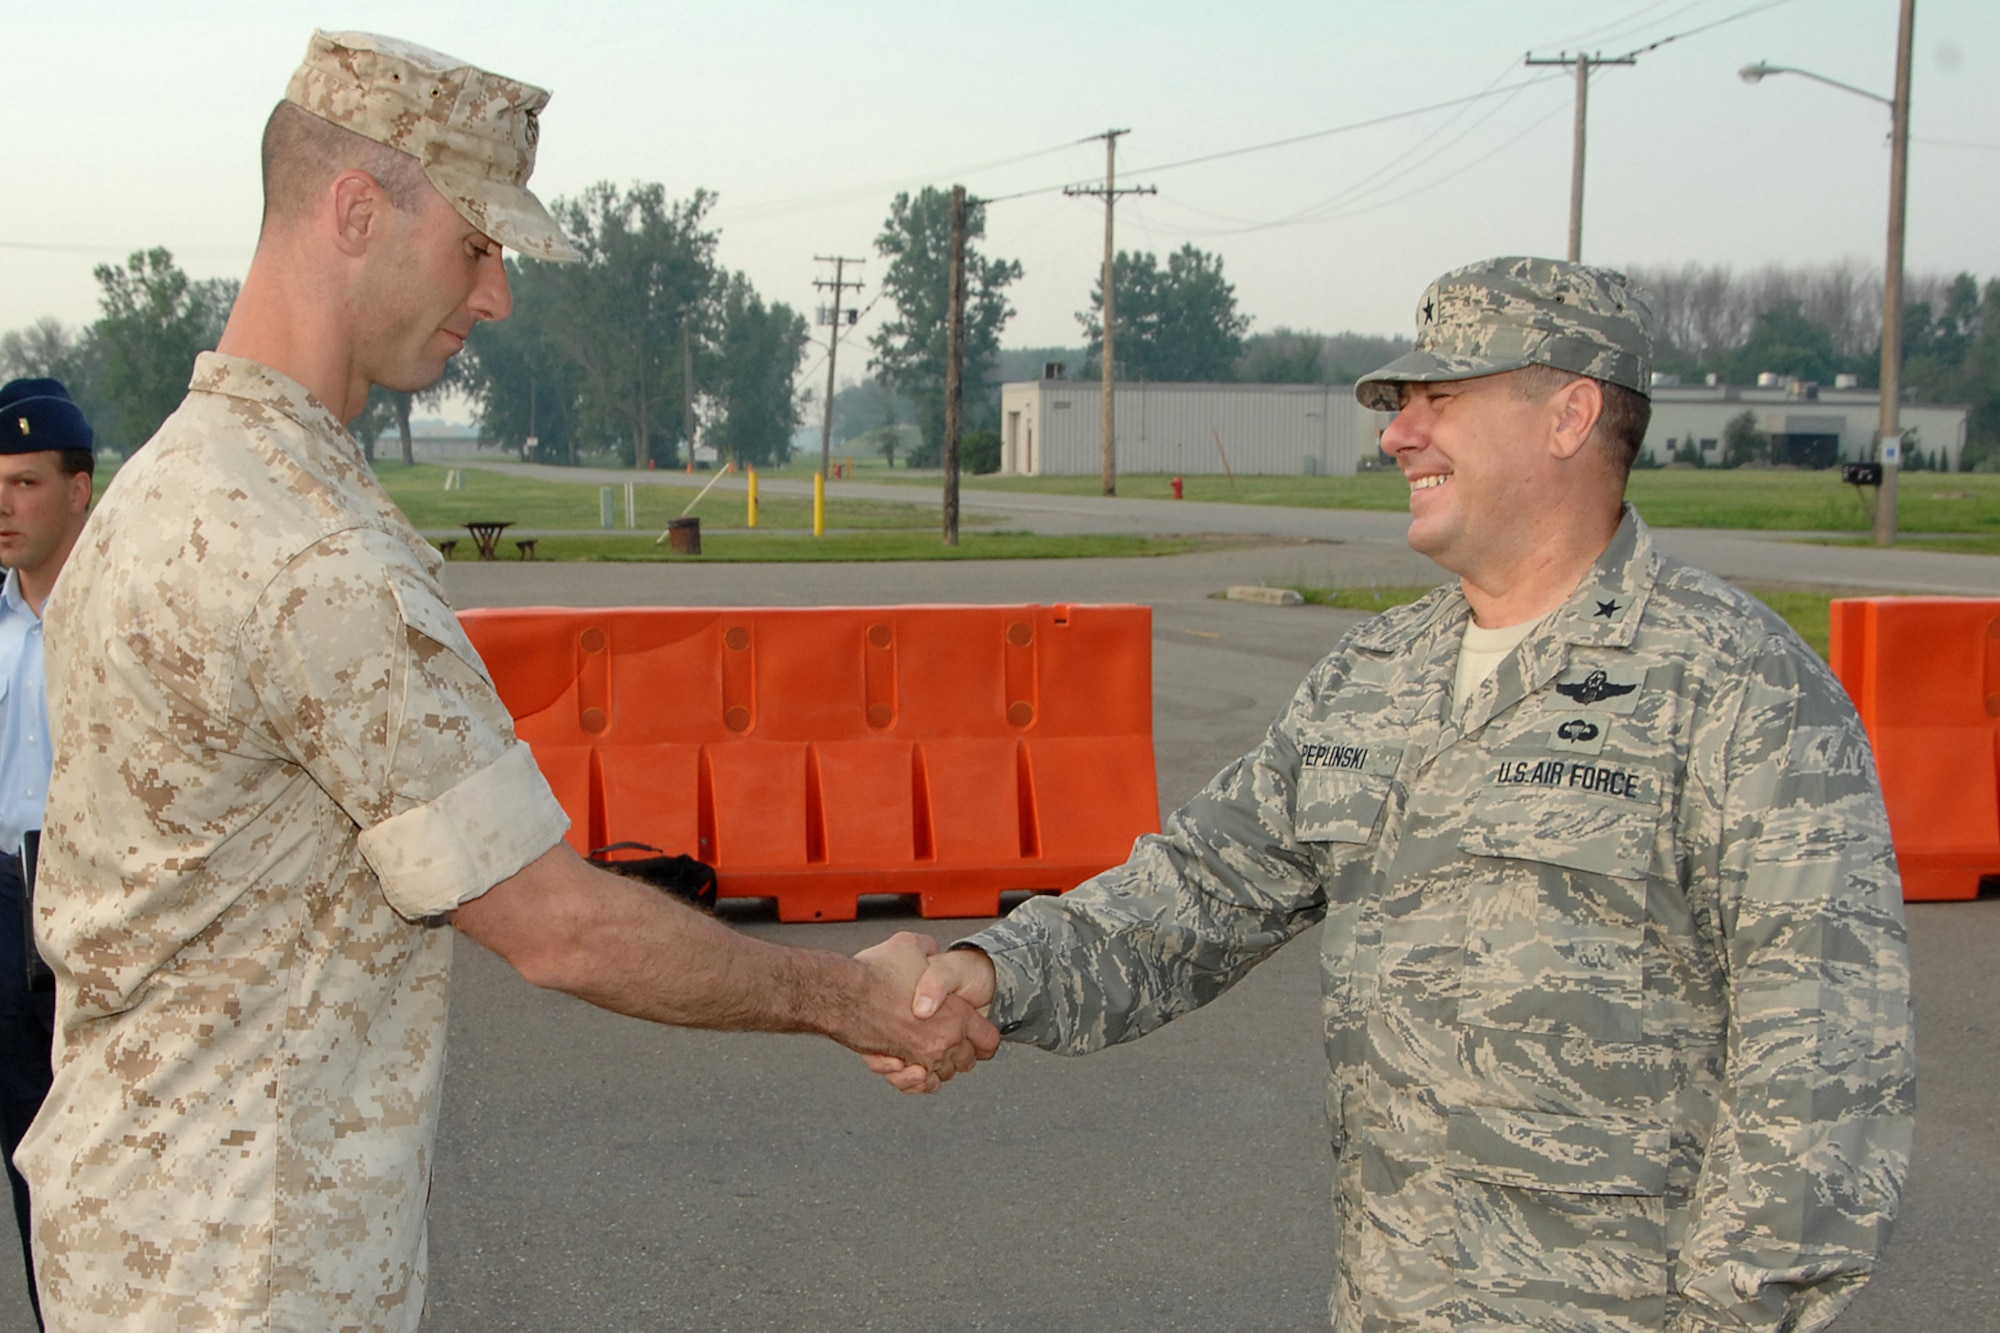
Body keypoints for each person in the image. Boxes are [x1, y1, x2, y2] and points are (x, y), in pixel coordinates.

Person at [22, 31, 995, 1330]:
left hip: (126, 1241)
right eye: (477, 248)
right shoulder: (316, 554)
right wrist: (854, 999)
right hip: (255, 1274)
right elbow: (554, 925)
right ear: (357, 210)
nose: (497, 299)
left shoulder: (156, 494)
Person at [871, 257, 1915, 1332]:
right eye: (1397, 406)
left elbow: (1821, 1070)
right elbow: (1195, 890)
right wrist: (987, 970)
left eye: (1439, 400)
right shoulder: (1374, 675)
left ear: (1569, 413)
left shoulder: (1737, 684)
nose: (1395, 436)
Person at [0, 379, 94, 1330]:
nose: (2, 504)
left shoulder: (123, 621)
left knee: (93, 1161)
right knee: (24, 1156)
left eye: (24, 481)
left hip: (87, 901)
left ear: (79, 490)